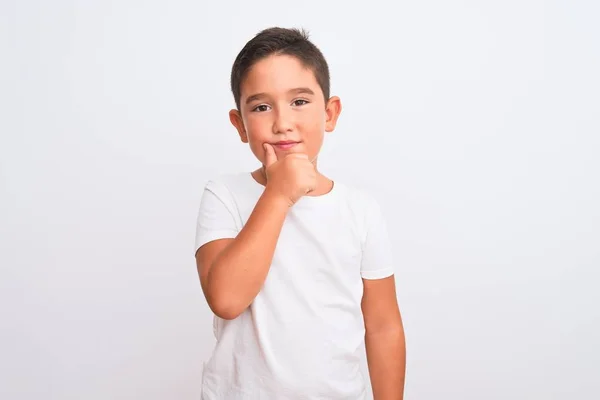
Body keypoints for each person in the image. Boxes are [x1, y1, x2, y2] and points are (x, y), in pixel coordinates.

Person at [194, 26, 406, 399]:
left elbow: (383, 326)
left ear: (330, 113)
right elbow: (226, 300)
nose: (282, 122)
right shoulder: (224, 195)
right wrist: (278, 195)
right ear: (240, 124)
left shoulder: (360, 209)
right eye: (261, 107)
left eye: (299, 102)